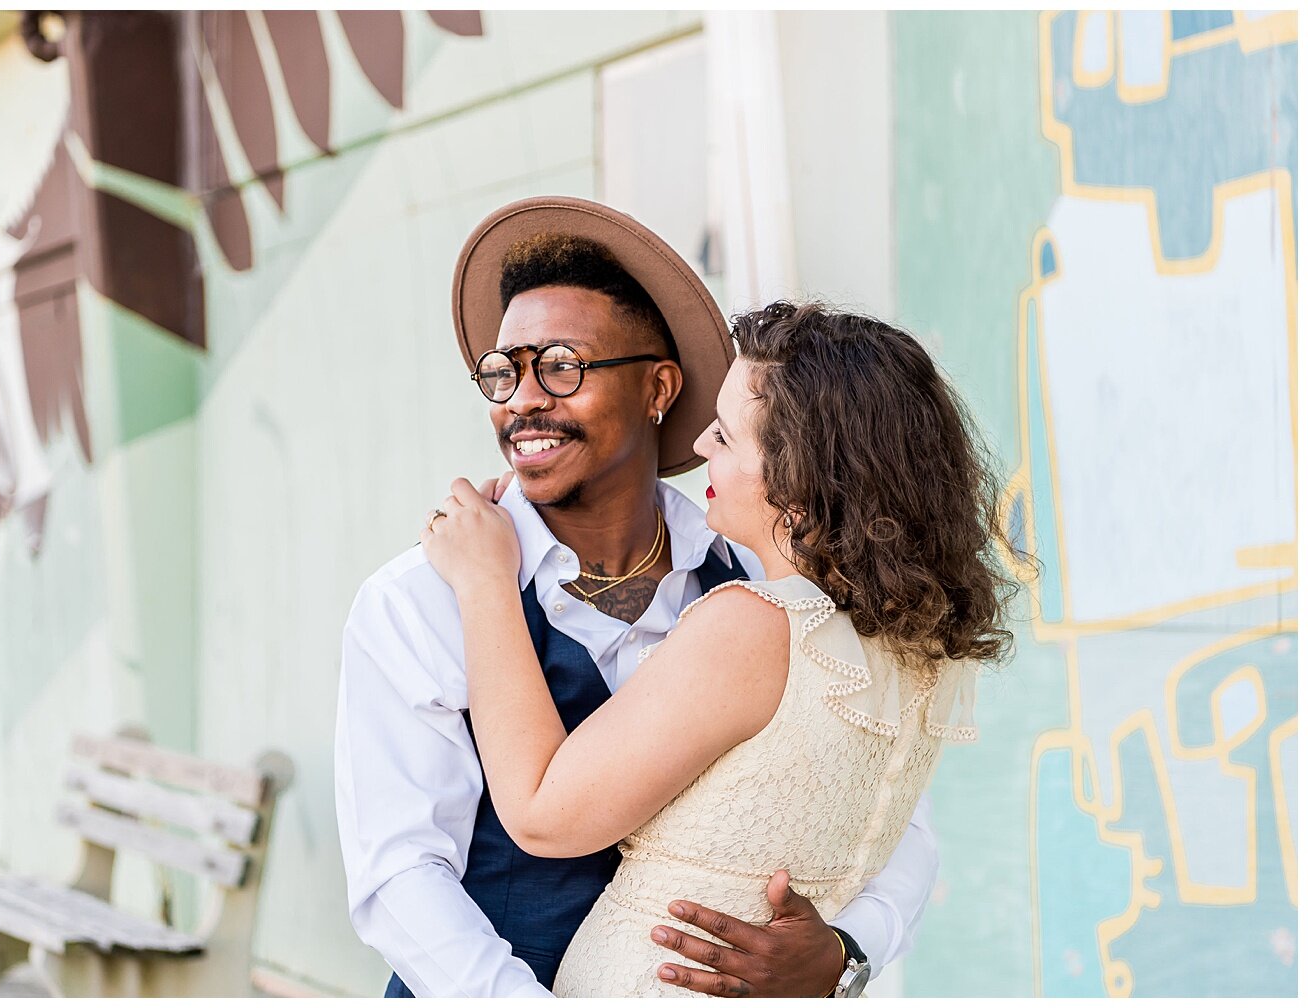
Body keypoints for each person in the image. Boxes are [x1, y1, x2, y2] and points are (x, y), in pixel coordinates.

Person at [335, 197, 947, 998]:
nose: (521, 401)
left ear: (659, 387)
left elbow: (892, 811)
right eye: (502, 371)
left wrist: (844, 954)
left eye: (559, 366)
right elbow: (400, 875)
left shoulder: (763, 578)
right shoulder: (419, 598)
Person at [420, 297, 1013, 995]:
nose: (699, 444)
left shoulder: (752, 626)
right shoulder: (923, 644)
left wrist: (486, 580)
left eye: (727, 438)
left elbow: (542, 815)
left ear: (800, 485)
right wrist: (847, 958)